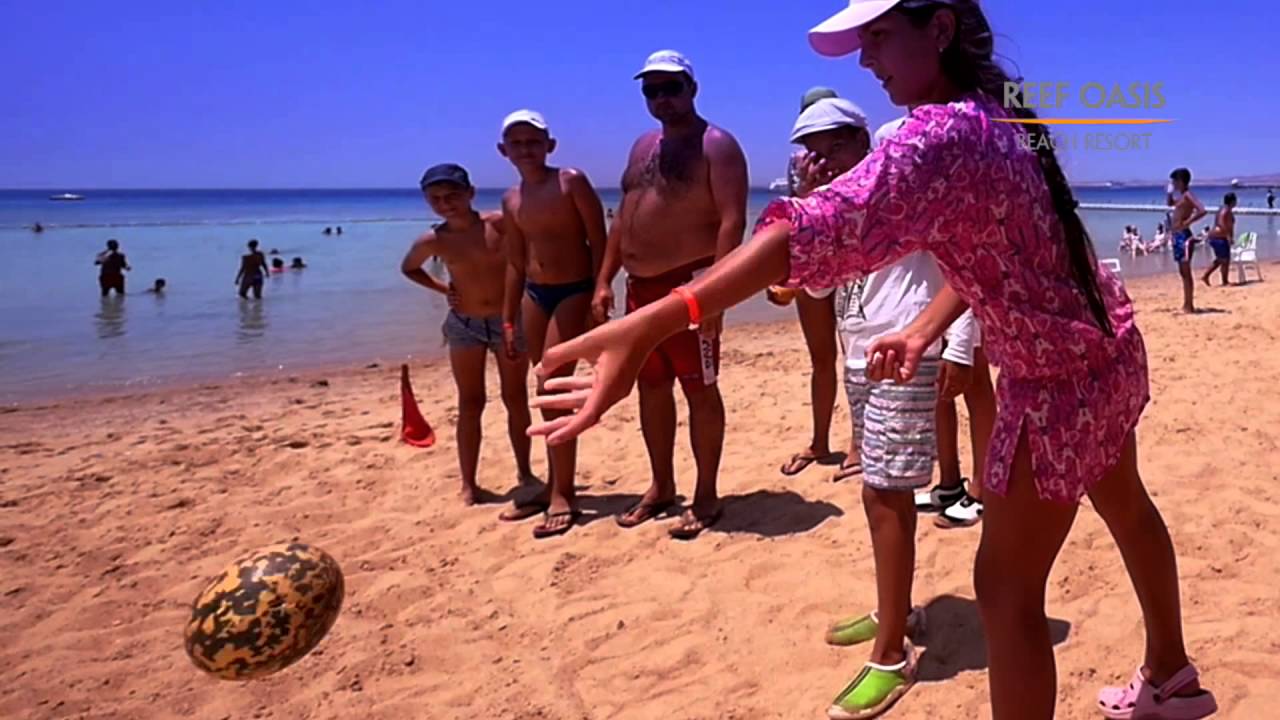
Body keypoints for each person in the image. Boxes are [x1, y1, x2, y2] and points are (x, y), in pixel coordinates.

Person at [528, 3, 1216, 719]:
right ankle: (1171, 674)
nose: (864, 58)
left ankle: (1168, 676)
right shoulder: (995, 114)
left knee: (1005, 591)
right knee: (1128, 507)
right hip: (1105, 346)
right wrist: (924, 327)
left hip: (1053, 383)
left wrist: (652, 321)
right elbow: (1005, 256)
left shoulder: (937, 135)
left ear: (940, 29)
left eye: (879, 37)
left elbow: (809, 231)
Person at [785, 103, 980, 715]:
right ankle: (892, 610)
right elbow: (816, 285)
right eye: (810, 150)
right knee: (879, 491)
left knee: (886, 493)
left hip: (908, 346)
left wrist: (962, 346)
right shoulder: (845, 202)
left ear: (864, 141)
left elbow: (968, 259)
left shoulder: (912, 190)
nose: (823, 160)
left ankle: (891, 650)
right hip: (860, 352)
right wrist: (811, 205)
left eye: (832, 146)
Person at [590, 49, 748, 539]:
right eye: (651, 90)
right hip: (639, 290)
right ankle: (660, 486)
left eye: (670, 87)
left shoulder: (715, 145)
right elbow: (625, 213)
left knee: (699, 389)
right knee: (650, 387)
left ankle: (706, 494)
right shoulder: (642, 146)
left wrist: (715, 294)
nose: (661, 98)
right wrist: (604, 279)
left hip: (689, 287)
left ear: (692, 89)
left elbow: (732, 221)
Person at [494, 109, 607, 538]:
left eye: (534, 141)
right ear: (503, 151)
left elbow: (599, 237)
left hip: (574, 290)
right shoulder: (511, 199)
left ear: (550, 145)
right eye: (517, 143)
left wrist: (601, 288)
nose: (526, 149)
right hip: (534, 296)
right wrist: (507, 318)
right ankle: (553, 485)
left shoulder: (570, 181)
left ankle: (563, 494)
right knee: (541, 391)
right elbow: (515, 261)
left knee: (555, 390)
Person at [401, 163, 537, 505]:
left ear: (471, 193)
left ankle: (525, 471)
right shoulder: (433, 240)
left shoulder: (498, 224)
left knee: (515, 397)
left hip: (509, 321)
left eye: (453, 195)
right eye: (436, 198)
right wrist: (443, 288)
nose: (446, 203)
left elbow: (533, 244)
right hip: (465, 325)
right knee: (470, 402)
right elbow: (409, 268)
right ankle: (469, 483)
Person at [766, 88, 850, 479]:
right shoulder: (797, 161)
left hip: (852, 258)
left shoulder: (855, 155)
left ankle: (857, 443)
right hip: (817, 260)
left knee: (858, 357)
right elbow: (797, 211)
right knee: (823, 359)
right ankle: (820, 441)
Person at [1167, 168, 1207, 313]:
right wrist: (1169, 192)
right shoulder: (1182, 196)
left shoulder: (1188, 195)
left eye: (1174, 181)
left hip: (1183, 236)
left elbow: (1202, 210)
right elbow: (1170, 204)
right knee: (1182, 272)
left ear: (1180, 181)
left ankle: (1189, 305)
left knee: (1186, 271)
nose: (1173, 183)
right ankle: (1187, 303)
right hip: (1177, 235)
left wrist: (1188, 222)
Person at [1202, 193, 1237, 286]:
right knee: (1224, 259)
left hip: (1219, 237)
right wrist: (1228, 236)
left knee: (1223, 259)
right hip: (1218, 237)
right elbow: (1222, 224)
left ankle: (1208, 276)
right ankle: (1222, 280)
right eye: (1235, 200)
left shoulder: (1225, 209)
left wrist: (1230, 236)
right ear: (1232, 201)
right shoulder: (1225, 210)